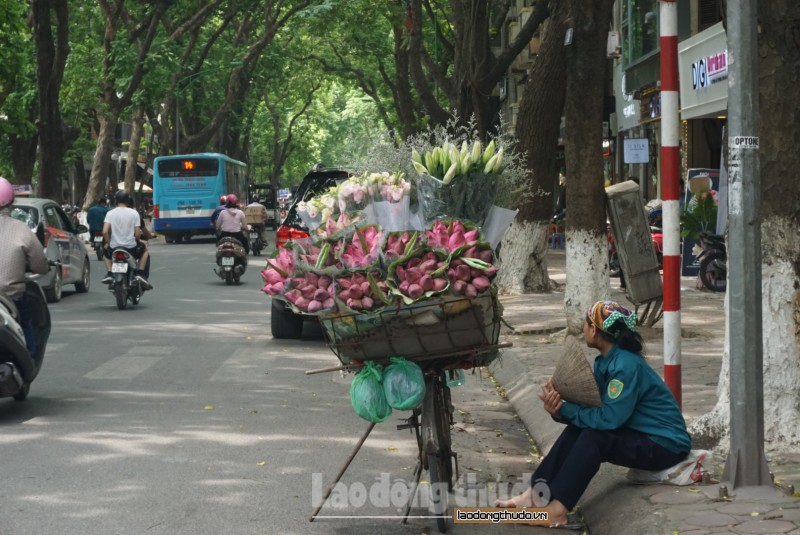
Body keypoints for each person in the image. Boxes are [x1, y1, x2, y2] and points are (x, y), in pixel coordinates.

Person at [495, 300, 690, 527]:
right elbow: (591, 409)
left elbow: (608, 419)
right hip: (640, 435)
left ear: (594, 330)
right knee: (581, 428)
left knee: (595, 437)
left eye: (586, 325)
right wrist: (558, 409)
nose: (583, 330)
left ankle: (557, 511)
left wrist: (565, 408)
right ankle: (534, 495)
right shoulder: (605, 362)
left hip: (665, 445)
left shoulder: (626, 366)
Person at [0, 177, 50, 357]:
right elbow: (40, 264)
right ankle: (28, 356)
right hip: (12, 297)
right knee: (28, 322)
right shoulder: (21, 229)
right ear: (11, 201)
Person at [101, 190, 151, 289]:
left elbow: (105, 232)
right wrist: (138, 240)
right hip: (130, 247)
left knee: (106, 253)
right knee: (145, 250)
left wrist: (108, 243)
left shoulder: (110, 213)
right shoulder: (134, 213)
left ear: (116, 200)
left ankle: (110, 273)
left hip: (115, 247)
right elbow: (137, 233)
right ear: (128, 200)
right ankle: (140, 273)